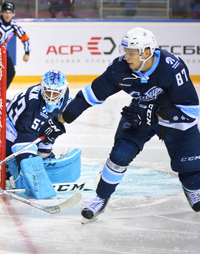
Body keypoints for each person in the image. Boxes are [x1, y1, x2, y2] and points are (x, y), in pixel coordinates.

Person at [40, 27, 200, 224]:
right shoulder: (119, 69)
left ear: (146, 52)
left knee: (191, 167)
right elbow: (90, 96)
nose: (126, 57)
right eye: (125, 52)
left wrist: (154, 114)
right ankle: (100, 199)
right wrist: (60, 120)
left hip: (172, 118)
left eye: (131, 53)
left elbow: (190, 111)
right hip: (138, 114)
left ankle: (192, 189)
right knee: (119, 155)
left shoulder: (172, 68)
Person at [5, 70, 81, 199]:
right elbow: (24, 140)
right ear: (42, 87)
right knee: (22, 157)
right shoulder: (34, 104)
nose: (51, 96)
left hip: (27, 126)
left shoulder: (65, 97)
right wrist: (28, 160)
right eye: (48, 92)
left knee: (41, 154)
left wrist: (46, 146)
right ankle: (12, 172)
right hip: (6, 128)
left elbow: (49, 128)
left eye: (55, 92)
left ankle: (21, 167)